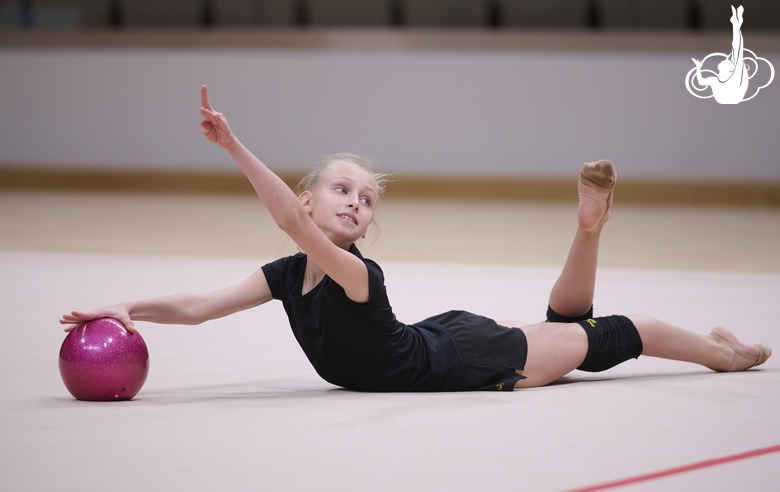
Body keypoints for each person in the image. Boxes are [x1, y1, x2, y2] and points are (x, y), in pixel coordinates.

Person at [60, 86, 771, 391]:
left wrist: (234, 145)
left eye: (366, 200)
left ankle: (722, 357)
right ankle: (587, 230)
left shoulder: (356, 275)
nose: (356, 203)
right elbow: (199, 307)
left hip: (468, 358)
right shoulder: (286, 274)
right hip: (445, 339)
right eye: (342, 190)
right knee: (572, 334)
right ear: (311, 196)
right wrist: (126, 308)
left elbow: (288, 222)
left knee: (612, 334)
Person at [692, 5, 748, 104]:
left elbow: (737, 49)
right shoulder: (715, 80)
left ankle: (736, 24)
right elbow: (701, 82)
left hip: (732, 97)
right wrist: (698, 67)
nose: (725, 59)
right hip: (728, 98)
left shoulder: (734, 79)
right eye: (728, 60)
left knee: (737, 51)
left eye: (727, 61)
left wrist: (736, 26)